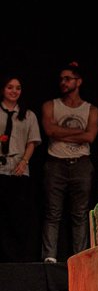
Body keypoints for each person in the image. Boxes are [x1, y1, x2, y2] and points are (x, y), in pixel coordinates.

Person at [41, 62, 98, 263]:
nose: (63, 82)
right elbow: (50, 131)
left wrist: (62, 132)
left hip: (81, 164)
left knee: (80, 214)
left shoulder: (91, 109)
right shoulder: (50, 105)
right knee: (52, 213)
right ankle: (49, 257)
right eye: (61, 79)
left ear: (78, 82)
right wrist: (78, 133)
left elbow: (90, 136)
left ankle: (79, 259)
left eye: (67, 79)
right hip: (55, 163)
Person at [0, 75, 42, 262]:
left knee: (18, 215)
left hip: (19, 168)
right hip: (0, 168)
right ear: (3, 89)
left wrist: (24, 161)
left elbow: (32, 142)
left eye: (18, 88)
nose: (14, 91)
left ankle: (17, 257)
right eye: (10, 87)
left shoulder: (28, 114)